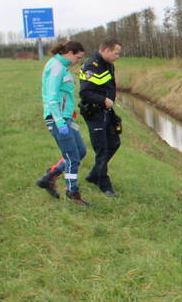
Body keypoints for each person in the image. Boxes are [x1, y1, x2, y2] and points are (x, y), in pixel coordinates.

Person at [34, 41, 91, 206]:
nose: (78, 61)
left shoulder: (63, 66)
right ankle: (72, 194)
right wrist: (59, 121)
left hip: (66, 118)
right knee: (73, 158)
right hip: (57, 118)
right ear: (70, 53)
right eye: (78, 58)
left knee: (80, 151)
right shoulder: (57, 67)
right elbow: (52, 97)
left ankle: (49, 177)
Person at [79, 37, 123, 197]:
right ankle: (104, 185)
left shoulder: (108, 65)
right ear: (106, 50)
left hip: (107, 112)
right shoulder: (92, 66)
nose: (118, 56)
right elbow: (84, 92)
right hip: (94, 112)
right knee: (102, 149)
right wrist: (103, 100)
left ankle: (93, 175)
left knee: (114, 142)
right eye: (116, 53)